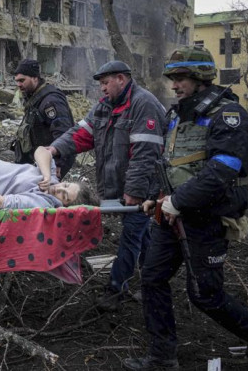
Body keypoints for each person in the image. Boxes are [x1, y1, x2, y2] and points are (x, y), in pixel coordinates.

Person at [123, 46, 248, 370]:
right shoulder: (177, 116)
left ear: (200, 78)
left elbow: (222, 170)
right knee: (152, 277)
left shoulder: (228, 115)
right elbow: (172, 167)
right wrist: (158, 200)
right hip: (170, 215)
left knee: (205, 294)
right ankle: (161, 357)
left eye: (181, 77)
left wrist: (177, 202)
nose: (174, 84)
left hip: (206, 218)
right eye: (173, 78)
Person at [47, 60, 166, 311]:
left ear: (121, 79)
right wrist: (54, 148)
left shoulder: (143, 105)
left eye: (105, 83)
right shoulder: (104, 107)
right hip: (121, 187)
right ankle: (153, 281)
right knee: (143, 234)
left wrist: (133, 192)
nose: (101, 89)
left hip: (144, 188)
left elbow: (146, 154)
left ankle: (116, 288)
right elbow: (81, 134)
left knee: (132, 236)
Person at [11, 58, 76, 179]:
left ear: (35, 78)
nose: (18, 84)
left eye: (22, 80)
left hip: (51, 161)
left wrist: (58, 162)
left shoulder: (50, 100)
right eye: (17, 81)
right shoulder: (35, 98)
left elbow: (63, 132)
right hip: (39, 159)